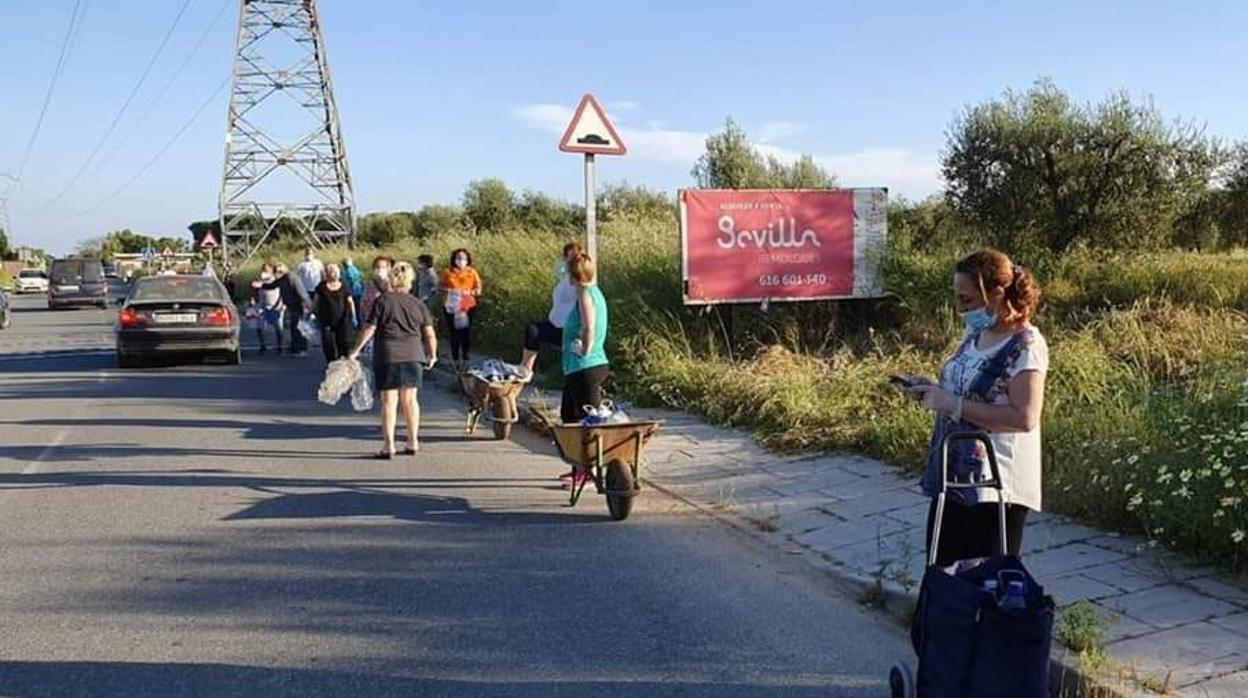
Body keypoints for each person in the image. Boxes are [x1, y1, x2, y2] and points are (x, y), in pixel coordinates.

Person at [902, 250, 1047, 568]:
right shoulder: (976, 334)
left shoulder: (1026, 346)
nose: (961, 309)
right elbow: (963, 391)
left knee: (985, 588)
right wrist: (932, 390)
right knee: (942, 579)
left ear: (996, 294)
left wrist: (952, 404)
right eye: (957, 299)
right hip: (954, 477)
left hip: (993, 488)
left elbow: (1024, 417)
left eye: (967, 300)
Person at [349, 262, 438, 459]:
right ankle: (413, 441)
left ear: (391, 278)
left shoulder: (382, 301)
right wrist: (432, 354)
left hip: (388, 355)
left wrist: (356, 350)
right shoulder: (418, 304)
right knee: (411, 400)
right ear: (410, 281)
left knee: (389, 401)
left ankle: (389, 445)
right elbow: (429, 334)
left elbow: (369, 328)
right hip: (414, 355)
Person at [517, 242, 581, 382]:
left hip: (568, 329)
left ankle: (572, 378)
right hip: (554, 324)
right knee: (533, 330)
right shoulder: (564, 278)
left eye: (573, 256)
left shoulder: (579, 281)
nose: (568, 260)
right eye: (567, 256)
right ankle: (526, 369)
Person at [560, 253, 610, 426]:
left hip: (585, 367)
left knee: (590, 422)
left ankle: (593, 453)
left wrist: (585, 350)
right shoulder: (595, 291)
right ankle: (573, 452)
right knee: (569, 416)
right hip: (577, 367)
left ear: (573, 276)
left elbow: (589, 326)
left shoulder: (585, 294)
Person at [254, 263, 312, 357]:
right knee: (294, 327)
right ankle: (296, 348)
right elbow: (272, 286)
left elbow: (302, 293)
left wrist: (306, 306)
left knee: (299, 328)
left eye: (277, 272)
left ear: (282, 272)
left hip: (299, 305)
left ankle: (302, 349)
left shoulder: (292, 278)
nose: (275, 275)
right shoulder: (281, 280)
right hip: (292, 306)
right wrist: (261, 285)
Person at [439, 248, 482, 372]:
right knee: (454, 333)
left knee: (465, 332)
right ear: (454, 259)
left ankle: (466, 358)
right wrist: (449, 290)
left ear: (468, 259)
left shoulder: (472, 272)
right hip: (451, 306)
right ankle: (455, 359)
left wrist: (472, 292)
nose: (461, 260)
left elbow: (478, 289)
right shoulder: (448, 272)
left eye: (463, 258)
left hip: (467, 306)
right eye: (458, 258)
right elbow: (440, 286)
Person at [314, 263, 356, 363]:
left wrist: (354, 316)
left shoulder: (344, 286)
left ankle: (342, 362)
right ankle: (331, 362)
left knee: (343, 342)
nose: (333, 273)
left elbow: (350, 301)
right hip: (326, 320)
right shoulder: (321, 287)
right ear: (327, 273)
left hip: (343, 320)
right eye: (330, 271)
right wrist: (311, 313)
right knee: (328, 343)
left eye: (335, 271)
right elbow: (316, 301)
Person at [252, 262, 284, 354]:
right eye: (263, 270)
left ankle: (280, 346)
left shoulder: (276, 280)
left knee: (278, 328)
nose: (264, 272)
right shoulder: (260, 280)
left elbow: (282, 293)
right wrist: (253, 300)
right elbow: (254, 291)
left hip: (275, 306)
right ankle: (263, 345)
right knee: (260, 327)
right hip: (262, 306)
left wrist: (281, 305)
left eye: (266, 271)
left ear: (271, 271)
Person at [361, 254, 394, 324]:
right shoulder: (369, 286)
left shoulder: (394, 285)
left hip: (389, 324)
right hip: (372, 323)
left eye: (383, 267)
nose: (380, 270)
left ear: (389, 269)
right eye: (377, 267)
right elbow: (364, 305)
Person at [342, 256, 365, 327]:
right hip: (358, 291)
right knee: (358, 309)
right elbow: (361, 278)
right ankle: (359, 323)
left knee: (354, 309)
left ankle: (357, 324)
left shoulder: (347, 271)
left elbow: (349, 281)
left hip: (353, 292)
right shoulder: (354, 269)